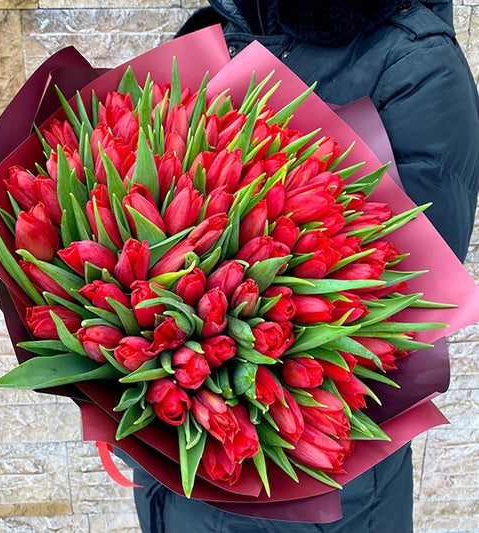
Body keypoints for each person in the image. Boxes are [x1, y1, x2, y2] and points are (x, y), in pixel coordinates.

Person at [116, 1, 479, 531]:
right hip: (183, 478)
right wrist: (122, 409)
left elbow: (404, 310)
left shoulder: (415, 64)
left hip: (316, 493)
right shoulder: (220, 27)